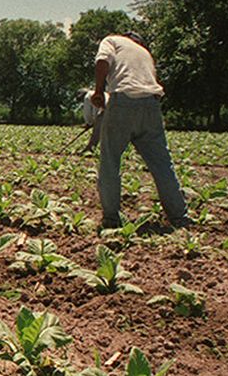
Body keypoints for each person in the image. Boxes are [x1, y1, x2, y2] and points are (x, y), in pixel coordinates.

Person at [90, 31, 190, 229]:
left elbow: (102, 61)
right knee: (162, 164)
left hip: (124, 99)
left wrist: (99, 91)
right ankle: (179, 217)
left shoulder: (112, 40)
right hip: (151, 104)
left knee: (110, 162)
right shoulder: (145, 52)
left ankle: (111, 218)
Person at [80, 87, 103, 153]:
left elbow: (87, 112)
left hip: (104, 111)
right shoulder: (95, 93)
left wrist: (88, 123)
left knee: (96, 132)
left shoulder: (88, 96)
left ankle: (90, 149)